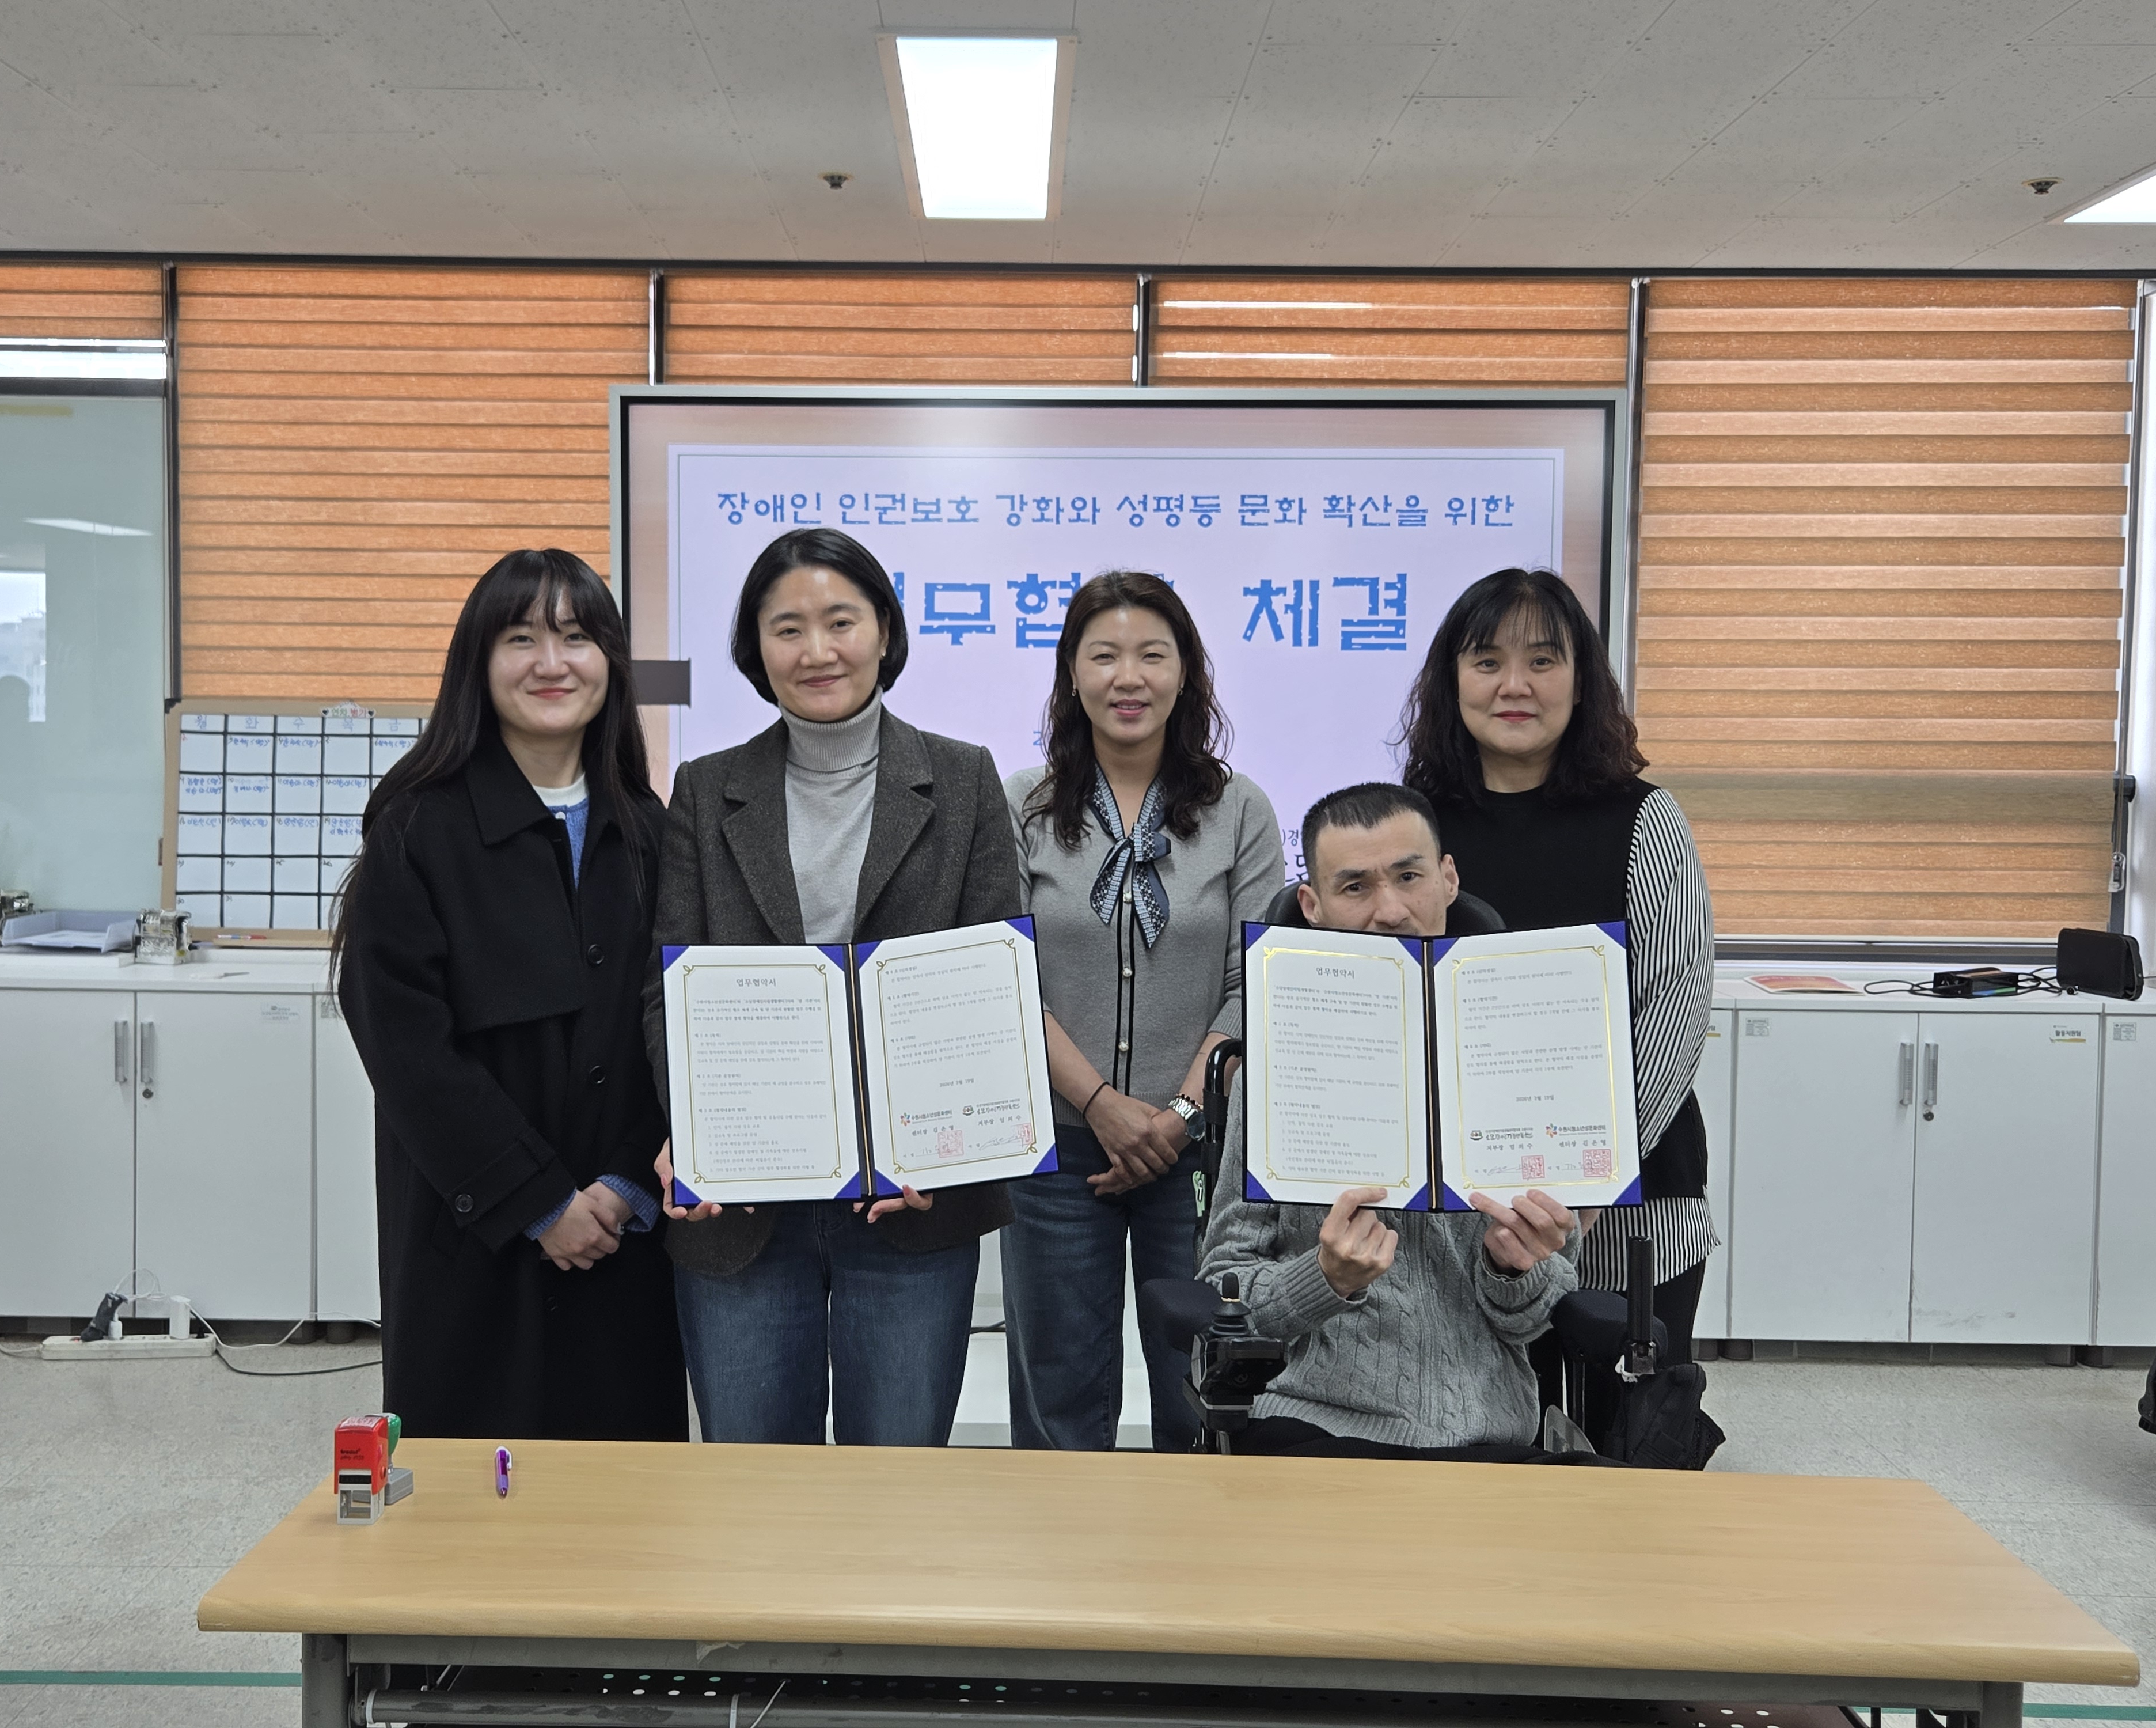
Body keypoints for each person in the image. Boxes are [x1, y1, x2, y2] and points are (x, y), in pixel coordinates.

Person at [646, 526, 1020, 1447]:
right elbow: (668, 991)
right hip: (744, 1203)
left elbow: (993, 984)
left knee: (893, 1488)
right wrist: (695, 1127)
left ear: (884, 631)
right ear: (756, 649)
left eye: (841, 622)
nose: (817, 651)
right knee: (753, 1482)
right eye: (788, 629)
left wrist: (943, 1149)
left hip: (911, 1201)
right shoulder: (705, 789)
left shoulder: (965, 779)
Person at [333, 548, 684, 1442]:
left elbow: (679, 1026)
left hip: (623, 1235)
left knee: (623, 1488)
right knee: (475, 1485)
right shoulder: (417, 825)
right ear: (478, 663)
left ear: (610, 662)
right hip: (471, 1237)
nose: (551, 663)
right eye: (521, 639)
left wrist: (621, 1186)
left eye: (576, 638)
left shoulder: (650, 830)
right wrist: (539, 1203)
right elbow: (406, 1047)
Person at [1400, 566, 1715, 1443]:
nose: (1515, 685)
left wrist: (1586, 1176)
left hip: (1630, 1205)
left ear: (1582, 681)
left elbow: (1675, 1007)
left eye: (1543, 660)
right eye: (1487, 661)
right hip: (1458, 1217)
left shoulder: (1644, 819)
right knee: (1484, 1439)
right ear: (1451, 680)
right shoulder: (1414, 826)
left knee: (1624, 1446)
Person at [1202, 782, 1607, 1461]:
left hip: (1489, 1431)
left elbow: (1537, 1315)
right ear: (1313, 907)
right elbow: (1224, 1288)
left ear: (1448, 879)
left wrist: (1514, 1270)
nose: (1389, 911)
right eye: (1355, 887)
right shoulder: (1278, 1060)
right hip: (1314, 1422)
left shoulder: (1532, 1050)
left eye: (1409, 877)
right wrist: (1325, 1278)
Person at [1001, 571, 1284, 1452]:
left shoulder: (1240, 811)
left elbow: (1254, 980)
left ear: (1186, 672)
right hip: (1056, 1147)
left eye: (1153, 655)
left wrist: (1180, 1114)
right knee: (1059, 1389)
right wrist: (1100, 1106)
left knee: (1203, 1385)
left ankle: (1199, 1542)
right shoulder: (1023, 805)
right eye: (1105, 656)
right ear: (1072, 673)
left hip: (1198, 1150)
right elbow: (1007, 980)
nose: (1129, 677)